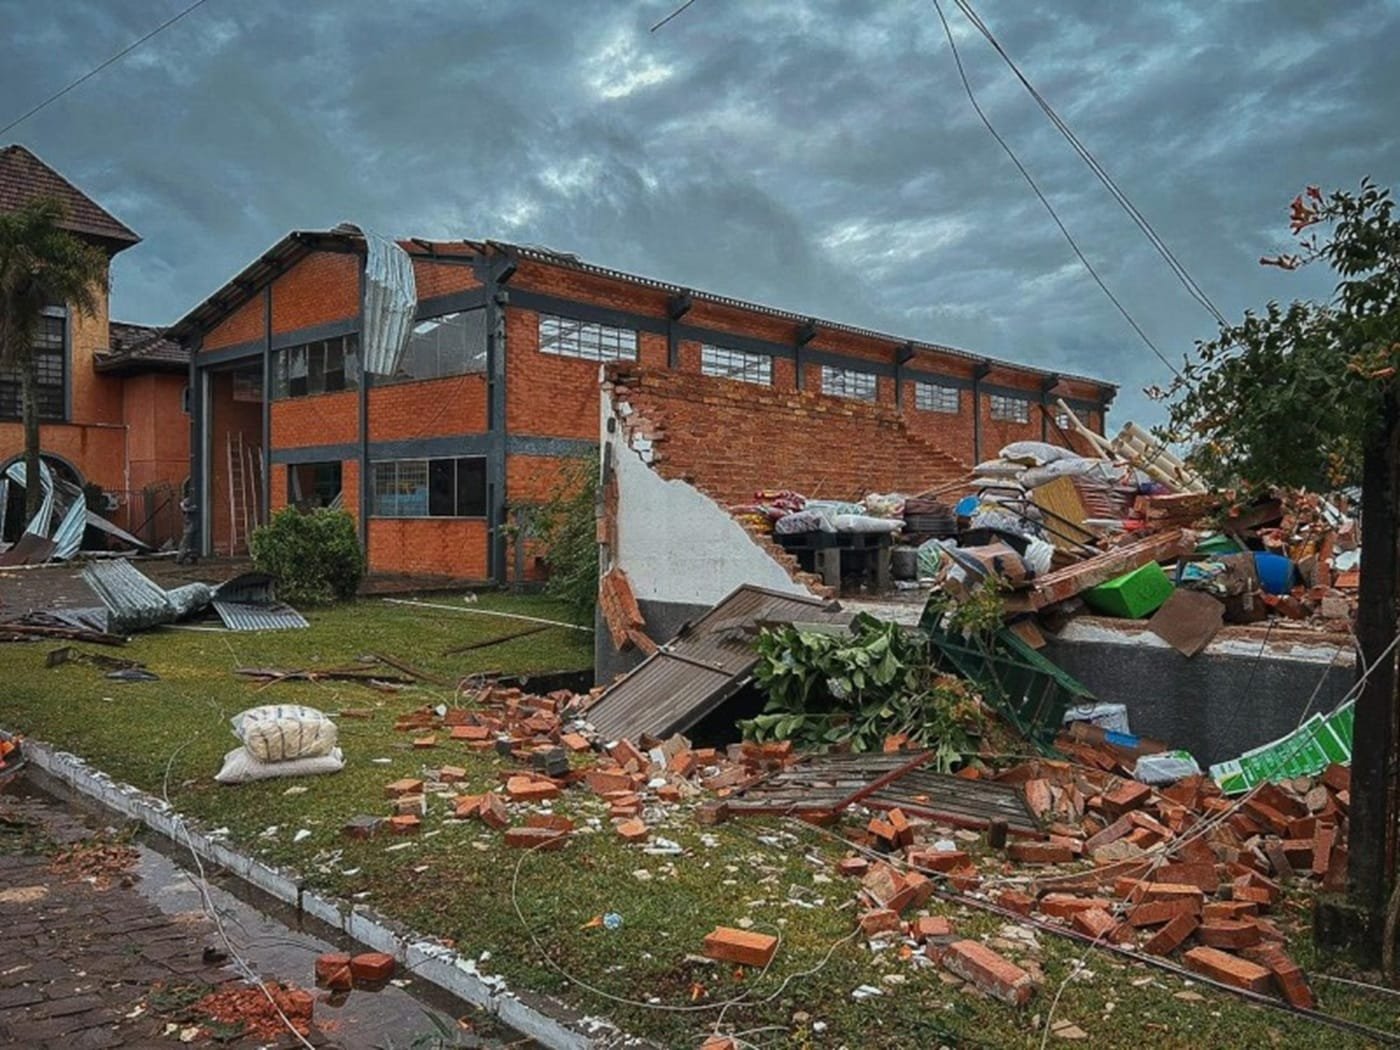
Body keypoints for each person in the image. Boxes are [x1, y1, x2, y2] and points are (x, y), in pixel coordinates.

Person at [176, 496, 199, 565]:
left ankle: (179, 559)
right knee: (192, 545)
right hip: (193, 528)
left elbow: (186, 510)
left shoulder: (192, 509)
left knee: (183, 544)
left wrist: (182, 505)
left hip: (190, 529)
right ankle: (193, 559)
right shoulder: (193, 508)